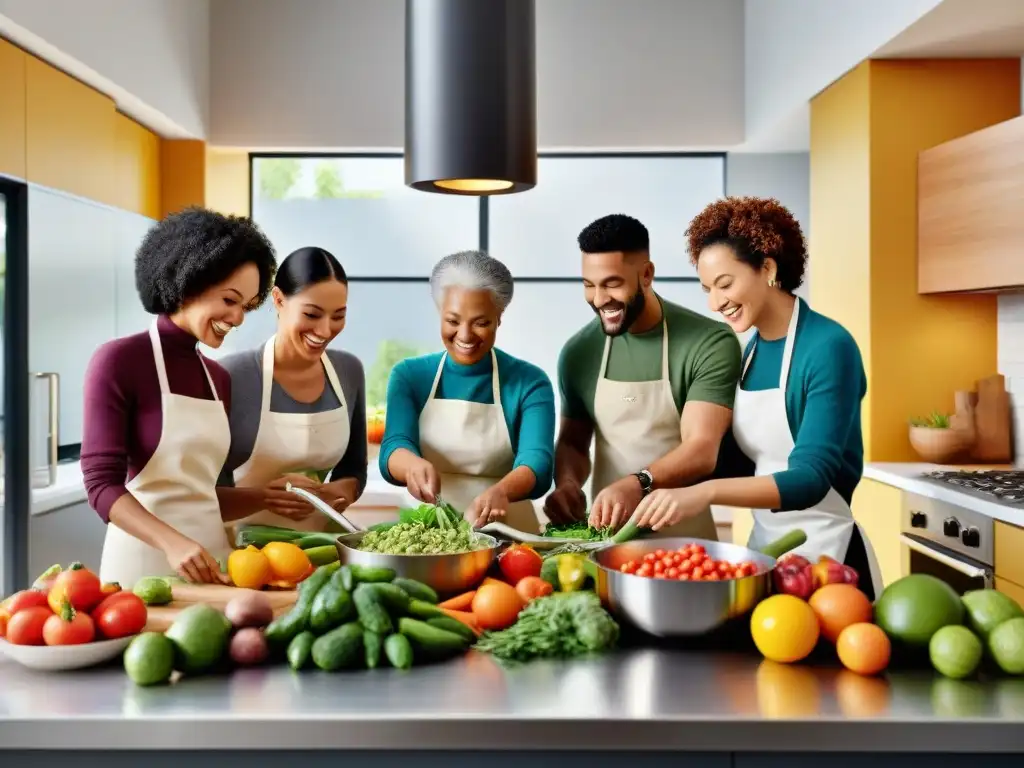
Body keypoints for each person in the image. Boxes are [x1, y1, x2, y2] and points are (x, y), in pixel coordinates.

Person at [632, 196, 881, 599]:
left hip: (831, 567)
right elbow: (740, 462)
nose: (716, 302)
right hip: (769, 556)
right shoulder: (749, 352)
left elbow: (810, 479)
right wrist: (646, 478)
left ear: (767, 268)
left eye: (725, 284)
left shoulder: (828, 347)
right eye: (708, 289)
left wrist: (705, 494)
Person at [81, 208, 277, 587]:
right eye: (230, 299)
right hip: (142, 569)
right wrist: (172, 543)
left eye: (247, 307)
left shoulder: (218, 377)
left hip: (212, 565)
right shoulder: (119, 360)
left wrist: (267, 497)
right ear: (189, 281)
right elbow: (100, 485)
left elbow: (198, 495)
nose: (238, 318)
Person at [543, 214, 741, 539]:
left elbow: (702, 449)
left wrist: (638, 483)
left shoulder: (709, 342)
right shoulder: (578, 352)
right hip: (605, 539)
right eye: (589, 285)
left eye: (612, 283)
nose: (598, 299)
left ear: (646, 274)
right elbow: (573, 443)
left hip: (685, 540)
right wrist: (567, 484)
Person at [379, 250, 555, 533]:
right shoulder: (409, 376)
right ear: (439, 313)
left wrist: (502, 491)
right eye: (452, 321)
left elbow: (538, 462)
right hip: (425, 534)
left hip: (509, 532)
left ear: (500, 317)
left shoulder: (530, 381)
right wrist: (411, 465)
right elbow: (393, 446)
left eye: (481, 322)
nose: (464, 335)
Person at [217, 247, 367, 531]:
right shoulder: (232, 376)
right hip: (242, 558)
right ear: (278, 300)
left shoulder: (349, 371)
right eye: (312, 314)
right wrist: (264, 498)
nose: (325, 330)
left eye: (338, 316)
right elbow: (205, 495)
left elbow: (353, 469)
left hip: (323, 553)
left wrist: (340, 493)